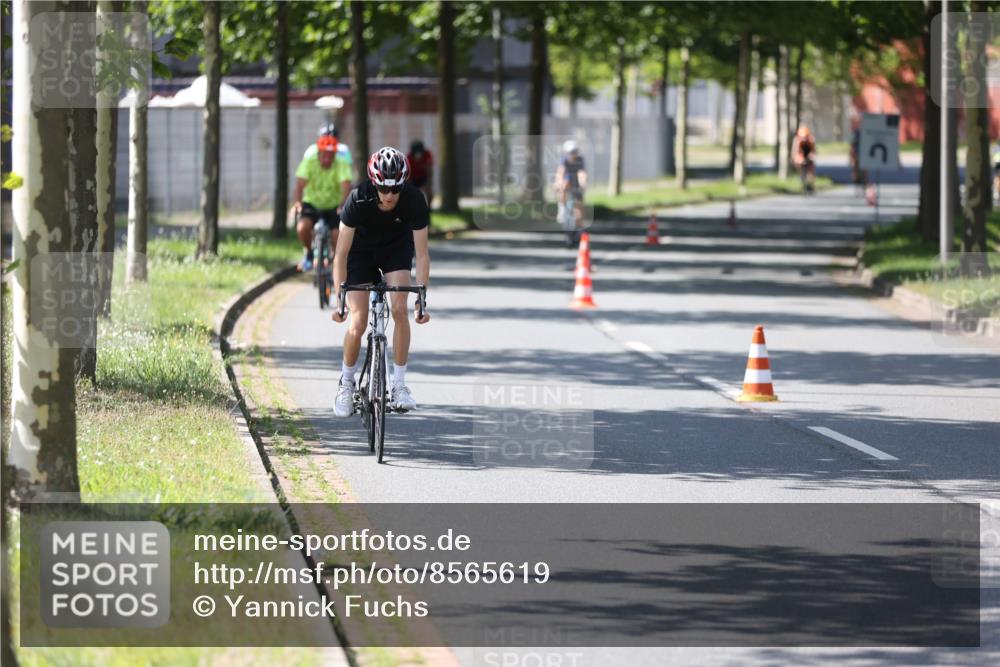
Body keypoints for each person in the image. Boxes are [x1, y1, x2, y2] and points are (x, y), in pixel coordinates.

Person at [331, 147, 431, 416]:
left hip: (395, 249)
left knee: (400, 309)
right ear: (374, 184)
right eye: (384, 189)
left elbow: (421, 255)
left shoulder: (414, 201)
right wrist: (340, 300)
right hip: (359, 252)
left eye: (395, 190)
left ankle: (399, 386)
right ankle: (346, 384)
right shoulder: (357, 199)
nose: (389, 196)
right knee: (359, 320)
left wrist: (421, 300)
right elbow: (340, 254)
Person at [293, 135, 353, 271]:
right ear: (318, 153)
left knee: (338, 235)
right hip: (312, 204)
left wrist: (342, 204)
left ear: (335, 154)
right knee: (302, 227)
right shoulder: (309, 162)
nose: (327, 159)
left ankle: (335, 259)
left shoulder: (341, 163)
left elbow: (345, 187)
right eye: (324, 155)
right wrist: (297, 203)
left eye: (330, 155)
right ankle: (308, 253)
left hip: (333, 206)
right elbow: (299, 186)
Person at [554, 140, 588, 247]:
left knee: (579, 211)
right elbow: (560, 173)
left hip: (576, 184)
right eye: (571, 152)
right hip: (567, 183)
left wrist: (583, 184)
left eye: (574, 152)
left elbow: (582, 173)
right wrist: (558, 184)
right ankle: (562, 207)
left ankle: (579, 229)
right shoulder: (564, 160)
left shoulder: (580, 160)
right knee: (564, 184)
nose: (573, 154)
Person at [406, 140, 434, 205]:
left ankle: (429, 208)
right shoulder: (408, 158)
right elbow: (408, 174)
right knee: (409, 193)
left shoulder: (427, 155)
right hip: (413, 178)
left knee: (429, 191)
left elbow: (429, 170)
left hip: (424, 177)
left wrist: (428, 183)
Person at [792, 125, 816, 192]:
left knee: (811, 170)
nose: (804, 138)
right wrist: (798, 160)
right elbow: (796, 152)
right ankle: (803, 182)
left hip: (808, 156)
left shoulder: (811, 140)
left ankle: (810, 184)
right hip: (801, 157)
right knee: (802, 170)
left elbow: (813, 151)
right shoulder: (797, 140)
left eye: (805, 136)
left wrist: (811, 157)